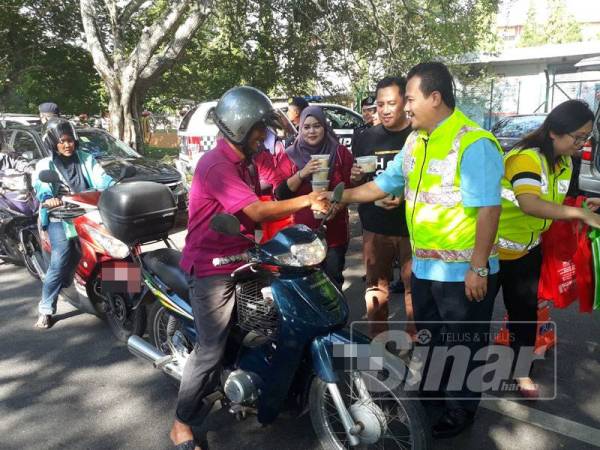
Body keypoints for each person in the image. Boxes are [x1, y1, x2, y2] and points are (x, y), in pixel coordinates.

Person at [333, 62, 504, 438]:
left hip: (464, 275)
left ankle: (461, 412)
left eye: (410, 98)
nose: (406, 107)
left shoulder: (474, 143)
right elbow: (383, 185)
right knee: (433, 338)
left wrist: (478, 266)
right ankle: (433, 402)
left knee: (464, 345)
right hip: (425, 269)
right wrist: (338, 196)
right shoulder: (417, 141)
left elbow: (490, 208)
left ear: (435, 97)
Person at [170, 86, 329, 450]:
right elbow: (254, 211)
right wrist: (307, 198)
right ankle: (181, 422)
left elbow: (266, 200)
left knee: (276, 315)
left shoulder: (245, 161)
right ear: (241, 126)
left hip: (243, 256)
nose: (265, 135)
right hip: (212, 265)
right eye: (260, 129)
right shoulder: (216, 165)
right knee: (211, 348)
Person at [497, 100, 600, 397]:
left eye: (586, 138)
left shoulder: (564, 161)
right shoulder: (526, 159)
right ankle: (461, 375)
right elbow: (530, 203)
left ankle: (521, 372)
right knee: (472, 318)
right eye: (578, 137)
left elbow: (552, 201)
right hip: (489, 253)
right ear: (554, 132)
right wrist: (581, 215)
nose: (581, 145)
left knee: (525, 315)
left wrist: (581, 204)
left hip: (527, 251)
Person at [32, 118, 114, 329]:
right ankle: (46, 307)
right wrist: (49, 198)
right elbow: (42, 188)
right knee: (61, 259)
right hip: (59, 216)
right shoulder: (45, 165)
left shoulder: (86, 158)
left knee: (115, 249)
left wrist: (115, 186)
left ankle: (124, 291)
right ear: (53, 143)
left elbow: (102, 179)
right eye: (62, 141)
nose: (67, 145)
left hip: (89, 212)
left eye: (70, 140)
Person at [351, 76, 413, 338]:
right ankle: (379, 342)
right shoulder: (365, 138)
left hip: (411, 226)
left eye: (391, 103)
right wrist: (354, 178)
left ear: (404, 102)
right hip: (375, 225)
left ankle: (416, 343)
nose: (385, 110)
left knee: (415, 290)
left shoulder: (418, 137)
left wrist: (406, 196)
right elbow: (360, 180)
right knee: (376, 289)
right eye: (380, 104)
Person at [274, 105, 353, 288]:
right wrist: (303, 173)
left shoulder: (340, 153)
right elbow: (280, 194)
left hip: (334, 231)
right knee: (307, 284)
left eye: (317, 126)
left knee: (333, 281)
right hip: (302, 234)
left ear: (325, 127)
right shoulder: (290, 156)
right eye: (306, 127)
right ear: (300, 129)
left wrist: (337, 206)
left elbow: (351, 189)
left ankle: (336, 317)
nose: (312, 131)